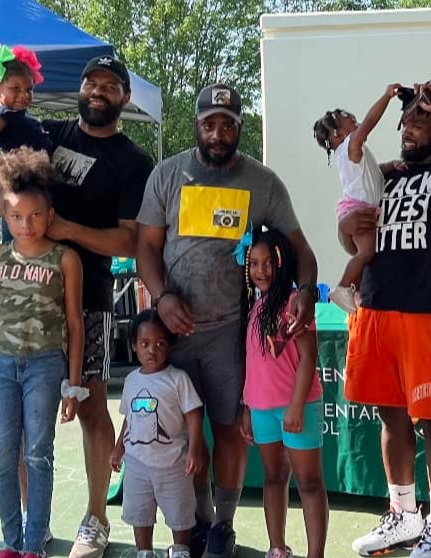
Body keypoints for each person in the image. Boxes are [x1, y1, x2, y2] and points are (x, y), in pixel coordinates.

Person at [136, 82, 319, 558]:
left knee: (226, 429)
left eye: (228, 125)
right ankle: (194, 521)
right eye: (209, 123)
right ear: (197, 124)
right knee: (179, 430)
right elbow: (146, 248)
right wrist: (162, 297)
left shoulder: (264, 183)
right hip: (172, 332)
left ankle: (223, 524)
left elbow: (301, 250)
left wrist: (303, 291)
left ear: (240, 128)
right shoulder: (168, 175)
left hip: (231, 333)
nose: (218, 133)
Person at [339, 78, 431, 558]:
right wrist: (346, 229)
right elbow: (352, 233)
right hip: (375, 310)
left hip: (425, 313)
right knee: (390, 415)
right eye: (407, 115)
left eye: (422, 115)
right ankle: (403, 514)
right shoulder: (386, 174)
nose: (408, 122)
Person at [41, 55, 154, 558]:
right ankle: (31, 523)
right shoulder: (48, 134)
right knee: (28, 411)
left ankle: (95, 519)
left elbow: (130, 242)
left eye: (111, 85)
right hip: (29, 298)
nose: (99, 90)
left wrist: (66, 231)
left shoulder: (134, 162)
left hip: (90, 299)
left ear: (124, 98)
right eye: (91, 82)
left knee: (89, 404)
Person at [0, 147, 87, 558]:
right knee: (2, 459)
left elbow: (75, 324)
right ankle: (11, 542)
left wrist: (72, 386)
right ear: (5, 215)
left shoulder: (66, 259)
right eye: (16, 216)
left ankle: (33, 544)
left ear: (50, 215)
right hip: (1, 367)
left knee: (38, 455)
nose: (26, 224)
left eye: (35, 216)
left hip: (44, 366)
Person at [238, 229, 329, 558]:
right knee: (274, 477)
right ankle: (277, 547)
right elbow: (253, 363)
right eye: (254, 263)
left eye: (268, 263)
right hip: (261, 410)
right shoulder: (253, 306)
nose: (260, 270)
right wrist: (247, 408)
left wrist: (295, 407)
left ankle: (314, 553)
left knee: (308, 482)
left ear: (282, 264)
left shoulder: (294, 303)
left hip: (297, 408)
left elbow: (309, 356)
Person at [111, 310, 205, 558]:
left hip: (174, 464)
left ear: (170, 347)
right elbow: (128, 417)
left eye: (160, 344)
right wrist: (119, 446)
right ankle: (145, 552)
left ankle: (181, 550)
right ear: (134, 346)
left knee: (179, 512)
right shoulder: (131, 380)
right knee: (139, 512)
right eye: (145, 344)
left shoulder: (177, 379)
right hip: (137, 464)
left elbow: (194, 414)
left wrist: (194, 448)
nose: (152, 350)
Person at [311, 83, 410, 314]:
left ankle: (353, 288)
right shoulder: (350, 145)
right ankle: (344, 287)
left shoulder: (353, 155)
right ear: (337, 133)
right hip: (360, 210)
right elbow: (369, 122)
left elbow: (372, 174)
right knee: (366, 253)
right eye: (345, 117)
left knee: (367, 253)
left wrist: (390, 166)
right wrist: (386, 97)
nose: (351, 117)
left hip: (360, 207)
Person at [0, 44, 52, 164]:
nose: (25, 95)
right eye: (16, 88)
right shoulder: (3, 115)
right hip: (25, 180)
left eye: (29, 89)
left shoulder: (18, 114)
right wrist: (6, 170)